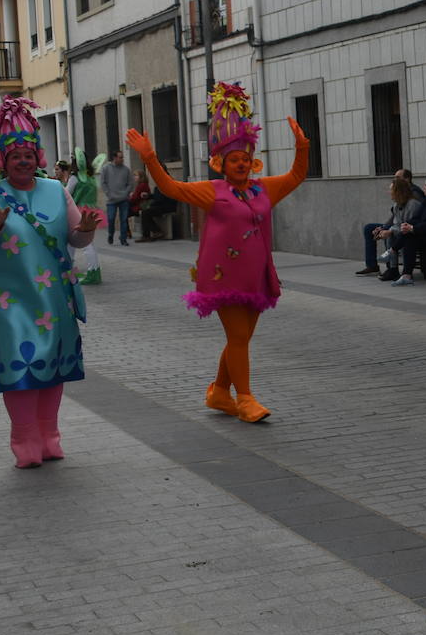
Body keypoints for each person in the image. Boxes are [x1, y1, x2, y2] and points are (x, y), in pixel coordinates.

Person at [127, 81, 309, 423]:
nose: (241, 164)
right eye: (234, 160)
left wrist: (302, 146)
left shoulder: (264, 189)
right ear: (221, 163)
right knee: (238, 337)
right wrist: (149, 157)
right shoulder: (212, 191)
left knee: (241, 338)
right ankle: (246, 399)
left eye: (245, 159)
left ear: (253, 161)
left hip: (256, 277)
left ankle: (220, 392)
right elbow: (171, 187)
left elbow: (296, 176)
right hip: (224, 278)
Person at [0, 97, 100, 468]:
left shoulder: (57, 190)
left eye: (28, 154)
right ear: (3, 160)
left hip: (53, 299)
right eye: (15, 156)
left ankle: (50, 436)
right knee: (20, 367)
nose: (23, 161)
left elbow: (75, 238)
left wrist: (87, 231)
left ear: (37, 156)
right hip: (9, 302)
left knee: (54, 366)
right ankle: (24, 438)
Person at [355, 169, 423, 276]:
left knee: (391, 233)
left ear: (406, 179)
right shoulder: (397, 203)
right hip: (398, 226)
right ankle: (379, 267)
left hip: (412, 229)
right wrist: (384, 227)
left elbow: (410, 222)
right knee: (369, 228)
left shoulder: (414, 196)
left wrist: (388, 230)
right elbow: (395, 218)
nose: (394, 180)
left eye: (397, 178)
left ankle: (393, 268)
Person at [63, 151, 105, 285]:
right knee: (80, 242)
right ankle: (90, 271)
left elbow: (66, 193)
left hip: (77, 211)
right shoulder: (90, 176)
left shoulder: (75, 177)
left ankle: (91, 272)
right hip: (91, 209)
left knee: (83, 244)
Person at [100, 150, 133, 246]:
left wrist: (126, 193)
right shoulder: (106, 168)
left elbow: (130, 183)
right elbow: (103, 183)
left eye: (122, 157)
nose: (122, 159)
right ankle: (111, 234)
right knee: (111, 218)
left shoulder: (126, 170)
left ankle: (123, 239)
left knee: (124, 219)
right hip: (111, 199)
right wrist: (108, 193)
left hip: (124, 199)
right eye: (120, 157)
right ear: (114, 158)